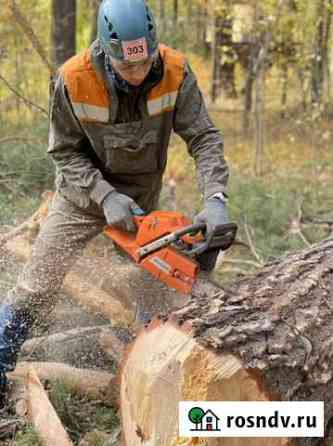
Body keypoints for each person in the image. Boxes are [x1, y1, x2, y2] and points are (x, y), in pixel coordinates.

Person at [0, 0, 229, 403]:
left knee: (150, 286)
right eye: (127, 67)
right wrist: (104, 195)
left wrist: (215, 199)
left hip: (141, 198)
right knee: (39, 281)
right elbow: (64, 152)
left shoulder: (175, 71)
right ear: (107, 52)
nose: (138, 75)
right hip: (82, 198)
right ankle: (1, 362)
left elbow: (204, 137)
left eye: (144, 64)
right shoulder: (74, 78)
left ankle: (138, 372)